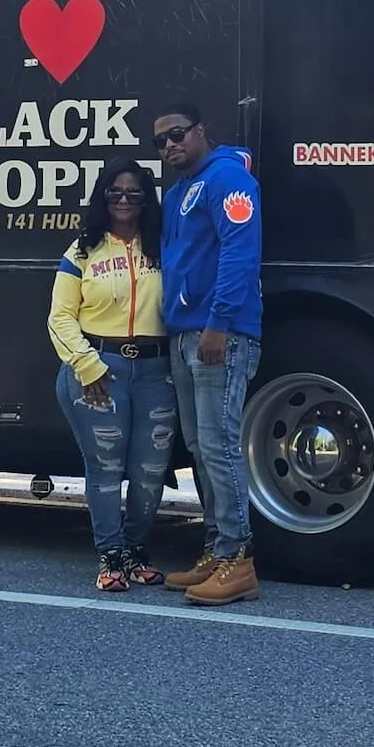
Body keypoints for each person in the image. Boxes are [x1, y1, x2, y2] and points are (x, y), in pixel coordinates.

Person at [153, 103, 263, 606]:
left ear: (201, 131)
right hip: (184, 332)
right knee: (200, 446)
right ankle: (217, 552)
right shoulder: (179, 192)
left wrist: (218, 323)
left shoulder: (228, 180)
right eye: (160, 141)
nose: (170, 145)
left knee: (219, 444)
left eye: (177, 134)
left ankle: (238, 561)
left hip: (218, 333)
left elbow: (241, 252)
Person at [47, 166, 176, 592]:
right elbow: (60, 317)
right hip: (100, 371)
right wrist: (87, 365)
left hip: (157, 372)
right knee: (104, 467)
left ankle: (137, 551)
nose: (124, 200)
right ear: (102, 198)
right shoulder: (81, 251)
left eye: (134, 194)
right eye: (115, 192)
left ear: (146, 199)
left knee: (151, 470)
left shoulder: (164, 246)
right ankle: (111, 556)